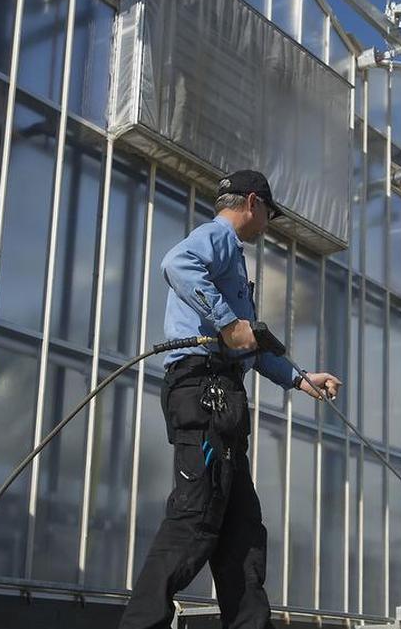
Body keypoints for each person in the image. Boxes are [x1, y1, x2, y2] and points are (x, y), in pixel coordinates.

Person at [119, 170, 342, 629]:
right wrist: (226, 322)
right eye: (269, 215)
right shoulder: (218, 237)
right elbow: (177, 263)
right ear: (253, 202)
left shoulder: (233, 259)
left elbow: (248, 346)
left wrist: (301, 379)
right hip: (204, 392)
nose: (267, 225)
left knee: (242, 534)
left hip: (224, 400)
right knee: (195, 518)